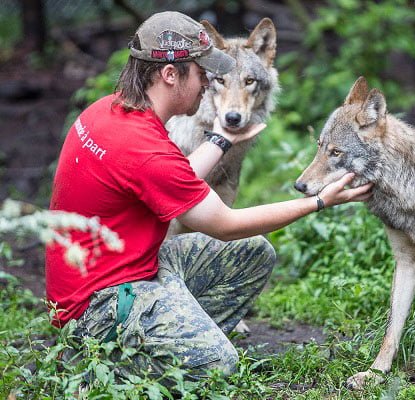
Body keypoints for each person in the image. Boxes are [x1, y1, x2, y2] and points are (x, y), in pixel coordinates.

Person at [45, 11, 372, 383]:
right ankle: (103, 366)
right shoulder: (146, 149)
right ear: (170, 75)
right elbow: (225, 224)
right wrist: (318, 202)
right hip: (98, 306)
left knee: (255, 252)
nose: (209, 85)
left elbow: (175, 179)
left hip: (115, 270)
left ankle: (176, 332)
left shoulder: (108, 110)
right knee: (220, 366)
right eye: (204, 74)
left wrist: (220, 139)